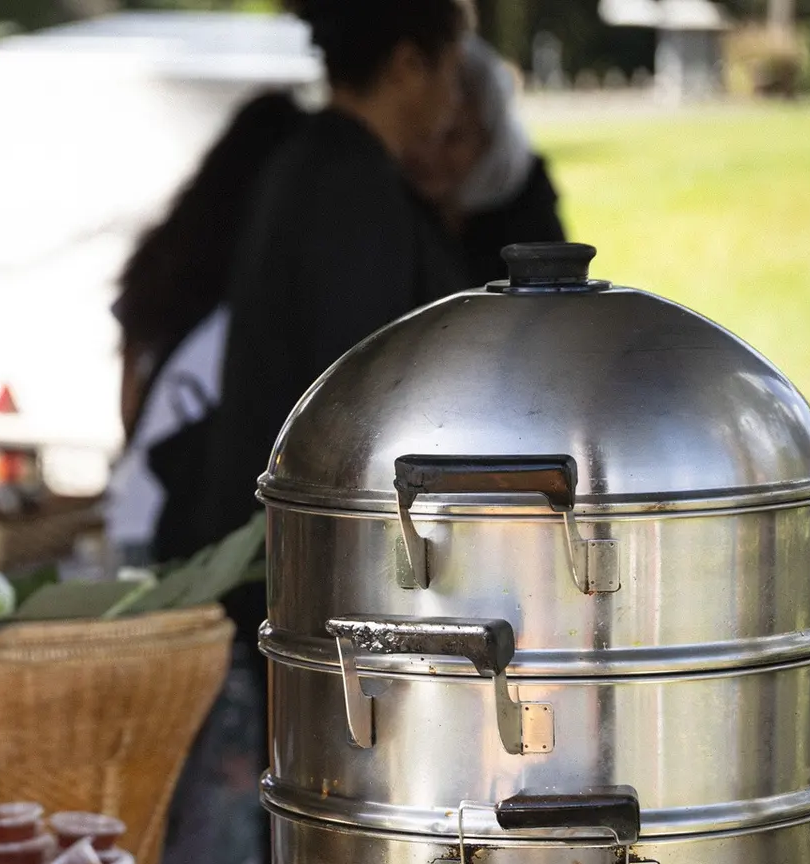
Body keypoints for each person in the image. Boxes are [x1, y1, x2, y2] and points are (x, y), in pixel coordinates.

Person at [197, 0, 469, 576]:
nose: (456, 93)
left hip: (283, 538)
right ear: (406, 66)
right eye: (452, 67)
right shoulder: (350, 189)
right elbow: (361, 397)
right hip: (306, 557)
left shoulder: (319, 164)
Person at [105, 91, 303, 563]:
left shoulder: (167, 255)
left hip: (137, 501)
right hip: (191, 523)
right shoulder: (269, 280)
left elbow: (131, 399)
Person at [404, 33, 565, 287]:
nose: (428, 153)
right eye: (420, 132)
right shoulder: (387, 201)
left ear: (489, 140)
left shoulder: (527, 212)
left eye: (453, 137)